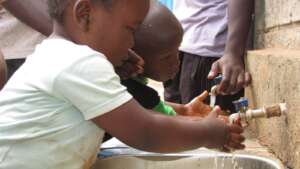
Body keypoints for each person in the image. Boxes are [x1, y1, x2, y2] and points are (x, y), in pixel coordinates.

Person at [0, 0, 244, 168]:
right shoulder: (79, 62)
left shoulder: (58, 56)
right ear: (84, 14)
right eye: (130, 29)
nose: (131, 44)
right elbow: (145, 131)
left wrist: (181, 113)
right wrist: (210, 134)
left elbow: (127, 111)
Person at [124, 0, 212, 117]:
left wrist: (184, 110)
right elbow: (171, 125)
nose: (176, 62)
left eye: (177, 51)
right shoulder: (136, 92)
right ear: (136, 55)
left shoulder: (131, 83)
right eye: (166, 57)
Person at [164, 0, 252, 113]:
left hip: (212, 55)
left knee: (210, 122)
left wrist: (232, 52)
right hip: (182, 46)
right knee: (179, 121)